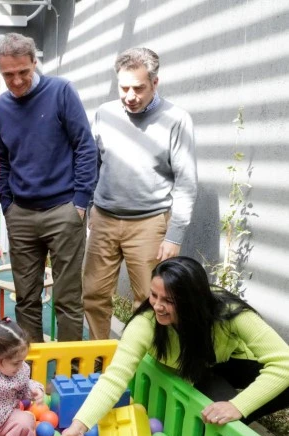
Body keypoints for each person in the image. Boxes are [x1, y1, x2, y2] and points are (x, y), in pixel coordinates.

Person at [61, 257, 289, 436]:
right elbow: (115, 377)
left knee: (243, 406)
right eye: (154, 295)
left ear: (193, 301)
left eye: (168, 301)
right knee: (220, 426)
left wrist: (239, 406)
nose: (157, 306)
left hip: (230, 362)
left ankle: (245, 415)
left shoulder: (228, 311)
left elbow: (284, 362)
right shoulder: (146, 322)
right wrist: (79, 426)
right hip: (196, 372)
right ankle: (236, 420)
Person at [83, 47, 198, 341]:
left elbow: (186, 181)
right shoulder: (105, 113)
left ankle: (141, 361)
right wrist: (90, 207)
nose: (130, 96)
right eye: (124, 88)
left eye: (139, 88)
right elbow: (93, 164)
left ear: (155, 83)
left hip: (150, 223)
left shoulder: (176, 119)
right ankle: (99, 356)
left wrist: (174, 235)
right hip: (105, 220)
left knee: (149, 300)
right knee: (94, 293)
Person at [0, 33, 97, 343]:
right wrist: (7, 204)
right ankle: (30, 369)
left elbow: (85, 147)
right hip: (21, 213)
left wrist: (80, 202)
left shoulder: (61, 91)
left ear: (35, 63)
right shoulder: (1, 107)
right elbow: (2, 159)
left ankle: (70, 369)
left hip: (64, 210)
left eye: (23, 71)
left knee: (68, 299)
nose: (17, 80)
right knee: (26, 298)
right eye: (8, 74)